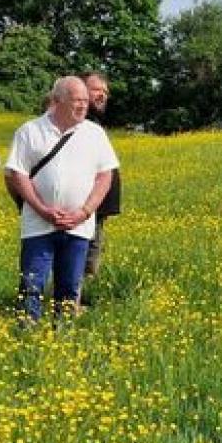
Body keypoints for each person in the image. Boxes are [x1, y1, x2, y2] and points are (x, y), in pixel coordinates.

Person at [5, 76, 119, 324]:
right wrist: (42, 209)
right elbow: (17, 174)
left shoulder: (95, 134)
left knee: (69, 288)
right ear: (57, 101)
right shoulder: (30, 131)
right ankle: (26, 334)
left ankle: (64, 335)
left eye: (85, 101)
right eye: (77, 100)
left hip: (78, 226)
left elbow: (105, 177)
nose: (83, 106)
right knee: (31, 284)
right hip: (38, 224)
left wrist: (84, 212)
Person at [80, 72, 122, 302]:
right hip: (84, 203)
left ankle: (81, 296)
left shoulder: (93, 123)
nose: (103, 95)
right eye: (98, 90)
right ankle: (73, 300)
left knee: (92, 249)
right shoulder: (78, 122)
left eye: (105, 92)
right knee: (82, 251)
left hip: (96, 205)